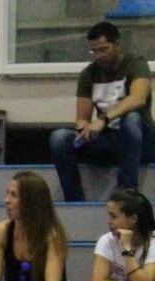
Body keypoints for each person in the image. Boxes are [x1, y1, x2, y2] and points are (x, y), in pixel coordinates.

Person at [49, 21, 154, 203]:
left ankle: (126, 193)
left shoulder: (135, 64)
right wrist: (84, 128)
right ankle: (75, 201)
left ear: (117, 45)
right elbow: (82, 117)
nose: (99, 56)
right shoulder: (89, 74)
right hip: (107, 141)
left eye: (103, 50)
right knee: (59, 138)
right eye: (94, 51)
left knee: (131, 119)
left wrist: (104, 119)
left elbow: (138, 98)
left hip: (140, 141)